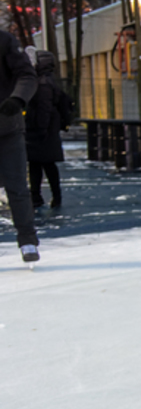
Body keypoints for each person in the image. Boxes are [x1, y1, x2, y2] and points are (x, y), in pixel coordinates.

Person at [0, 30, 39, 263]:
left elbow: (27, 75)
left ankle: (27, 240)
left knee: (16, 187)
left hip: (7, 128)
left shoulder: (4, 41)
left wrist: (17, 99)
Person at [23, 47, 70, 210]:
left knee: (40, 164)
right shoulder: (47, 80)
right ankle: (45, 196)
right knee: (42, 164)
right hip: (45, 129)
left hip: (41, 129)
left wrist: (40, 128)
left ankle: (41, 196)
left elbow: (44, 108)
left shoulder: (42, 83)